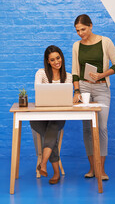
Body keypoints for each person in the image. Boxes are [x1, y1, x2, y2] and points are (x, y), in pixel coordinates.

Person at [72, 14, 115, 180]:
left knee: (101, 127)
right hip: (84, 88)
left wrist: (101, 75)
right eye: (77, 30)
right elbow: (75, 72)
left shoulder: (105, 42)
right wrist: (76, 91)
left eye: (83, 29)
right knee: (87, 128)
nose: (80, 33)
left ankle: (101, 169)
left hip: (101, 89)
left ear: (91, 26)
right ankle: (92, 168)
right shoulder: (76, 46)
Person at [30, 45, 72, 185]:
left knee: (52, 129)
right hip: (40, 117)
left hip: (58, 116)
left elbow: (67, 99)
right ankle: (54, 172)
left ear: (62, 57)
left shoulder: (68, 77)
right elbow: (38, 91)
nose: (56, 62)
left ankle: (43, 164)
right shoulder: (41, 74)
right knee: (52, 135)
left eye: (58, 58)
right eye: (52, 59)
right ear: (48, 61)